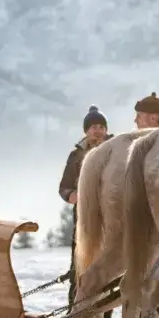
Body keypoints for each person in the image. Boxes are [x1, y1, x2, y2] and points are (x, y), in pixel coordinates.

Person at [58, 106, 112, 306]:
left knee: (108, 269)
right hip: (83, 218)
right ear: (86, 131)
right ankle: (73, 314)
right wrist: (71, 195)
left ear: (106, 129)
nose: (96, 130)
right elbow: (64, 186)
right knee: (79, 266)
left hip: (110, 217)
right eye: (92, 127)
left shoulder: (116, 150)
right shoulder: (76, 156)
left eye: (100, 126)